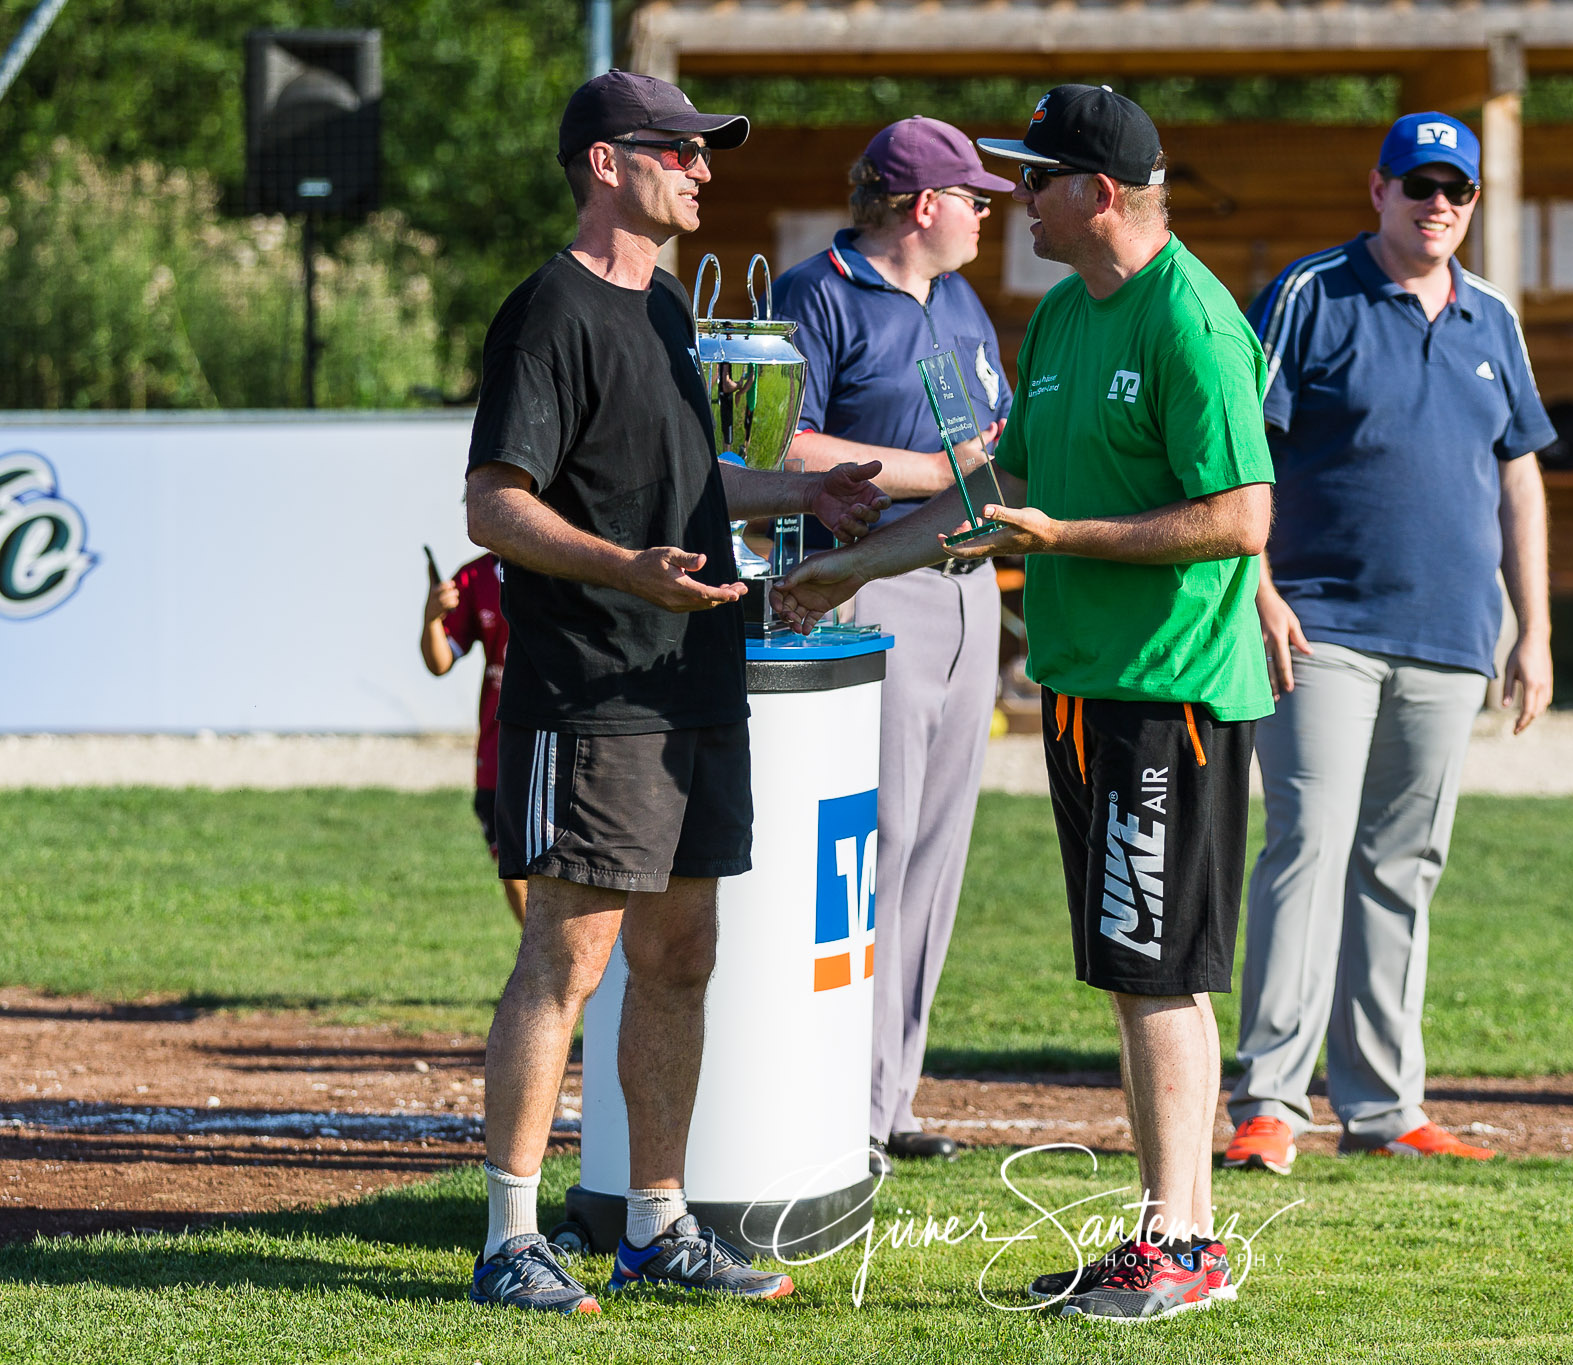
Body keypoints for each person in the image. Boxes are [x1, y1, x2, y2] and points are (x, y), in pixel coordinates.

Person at [775, 85, 1272, 1324]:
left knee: (1159, 974)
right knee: (1130, 971)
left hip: (1170, 696)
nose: (1018, 204)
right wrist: (848, 567)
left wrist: (1069, 536)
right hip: (1081, 692)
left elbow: (1240, 516)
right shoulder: (1059, 317)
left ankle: (1184, 1249)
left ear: (1097, 194)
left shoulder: (1192, 325)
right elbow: (997, 485)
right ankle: (1165, 1232)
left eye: (1036, 181)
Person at [461, 71, 888, 1316]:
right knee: (568, 958)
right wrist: (620, 569)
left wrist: (801, 495)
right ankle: (509, 1239)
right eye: (681, 151)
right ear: (607, 163)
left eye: (707, 154)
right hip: (593, 688)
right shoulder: (548, 312)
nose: (705, 170)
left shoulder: (658, 310)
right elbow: (494, 505)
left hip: (693, 680)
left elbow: (684, 492)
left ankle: (656, 1226)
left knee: (683, 955)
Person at [1219, 112, 1555, 1177]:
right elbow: (1239, 454)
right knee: (1304, 848)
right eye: (1418, 186)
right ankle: (1268, 1101)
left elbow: (1518, 477)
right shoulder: (1308, 295)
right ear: (1377, 190)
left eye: (1454, 190)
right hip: (1319, 627)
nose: (1437, 205)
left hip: (1452, 636)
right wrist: (1257, 591)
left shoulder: (1492, 315)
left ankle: (1382, 1105)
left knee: (1402, 866)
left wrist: (1533, 628)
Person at [774, 116, 1015, 1173]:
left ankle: (884, 1101)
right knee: (861, 855)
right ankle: (830, 1103)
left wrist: (969, 476)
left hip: (967, 590)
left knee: (932, 859)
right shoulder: (812, 293)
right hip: (869, 589)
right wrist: (937, 473)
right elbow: (778, 444)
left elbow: (994, 443)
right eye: (973, 197)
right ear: (924, 207)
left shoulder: (957, 299)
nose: (984, 215)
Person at [420, 551, 526, 925]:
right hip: (499, 752)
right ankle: (548, 969)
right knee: (513, 872)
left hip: (561, 746)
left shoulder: (574, 562)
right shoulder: (475, 577)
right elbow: (439, 661)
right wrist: (432, 617)